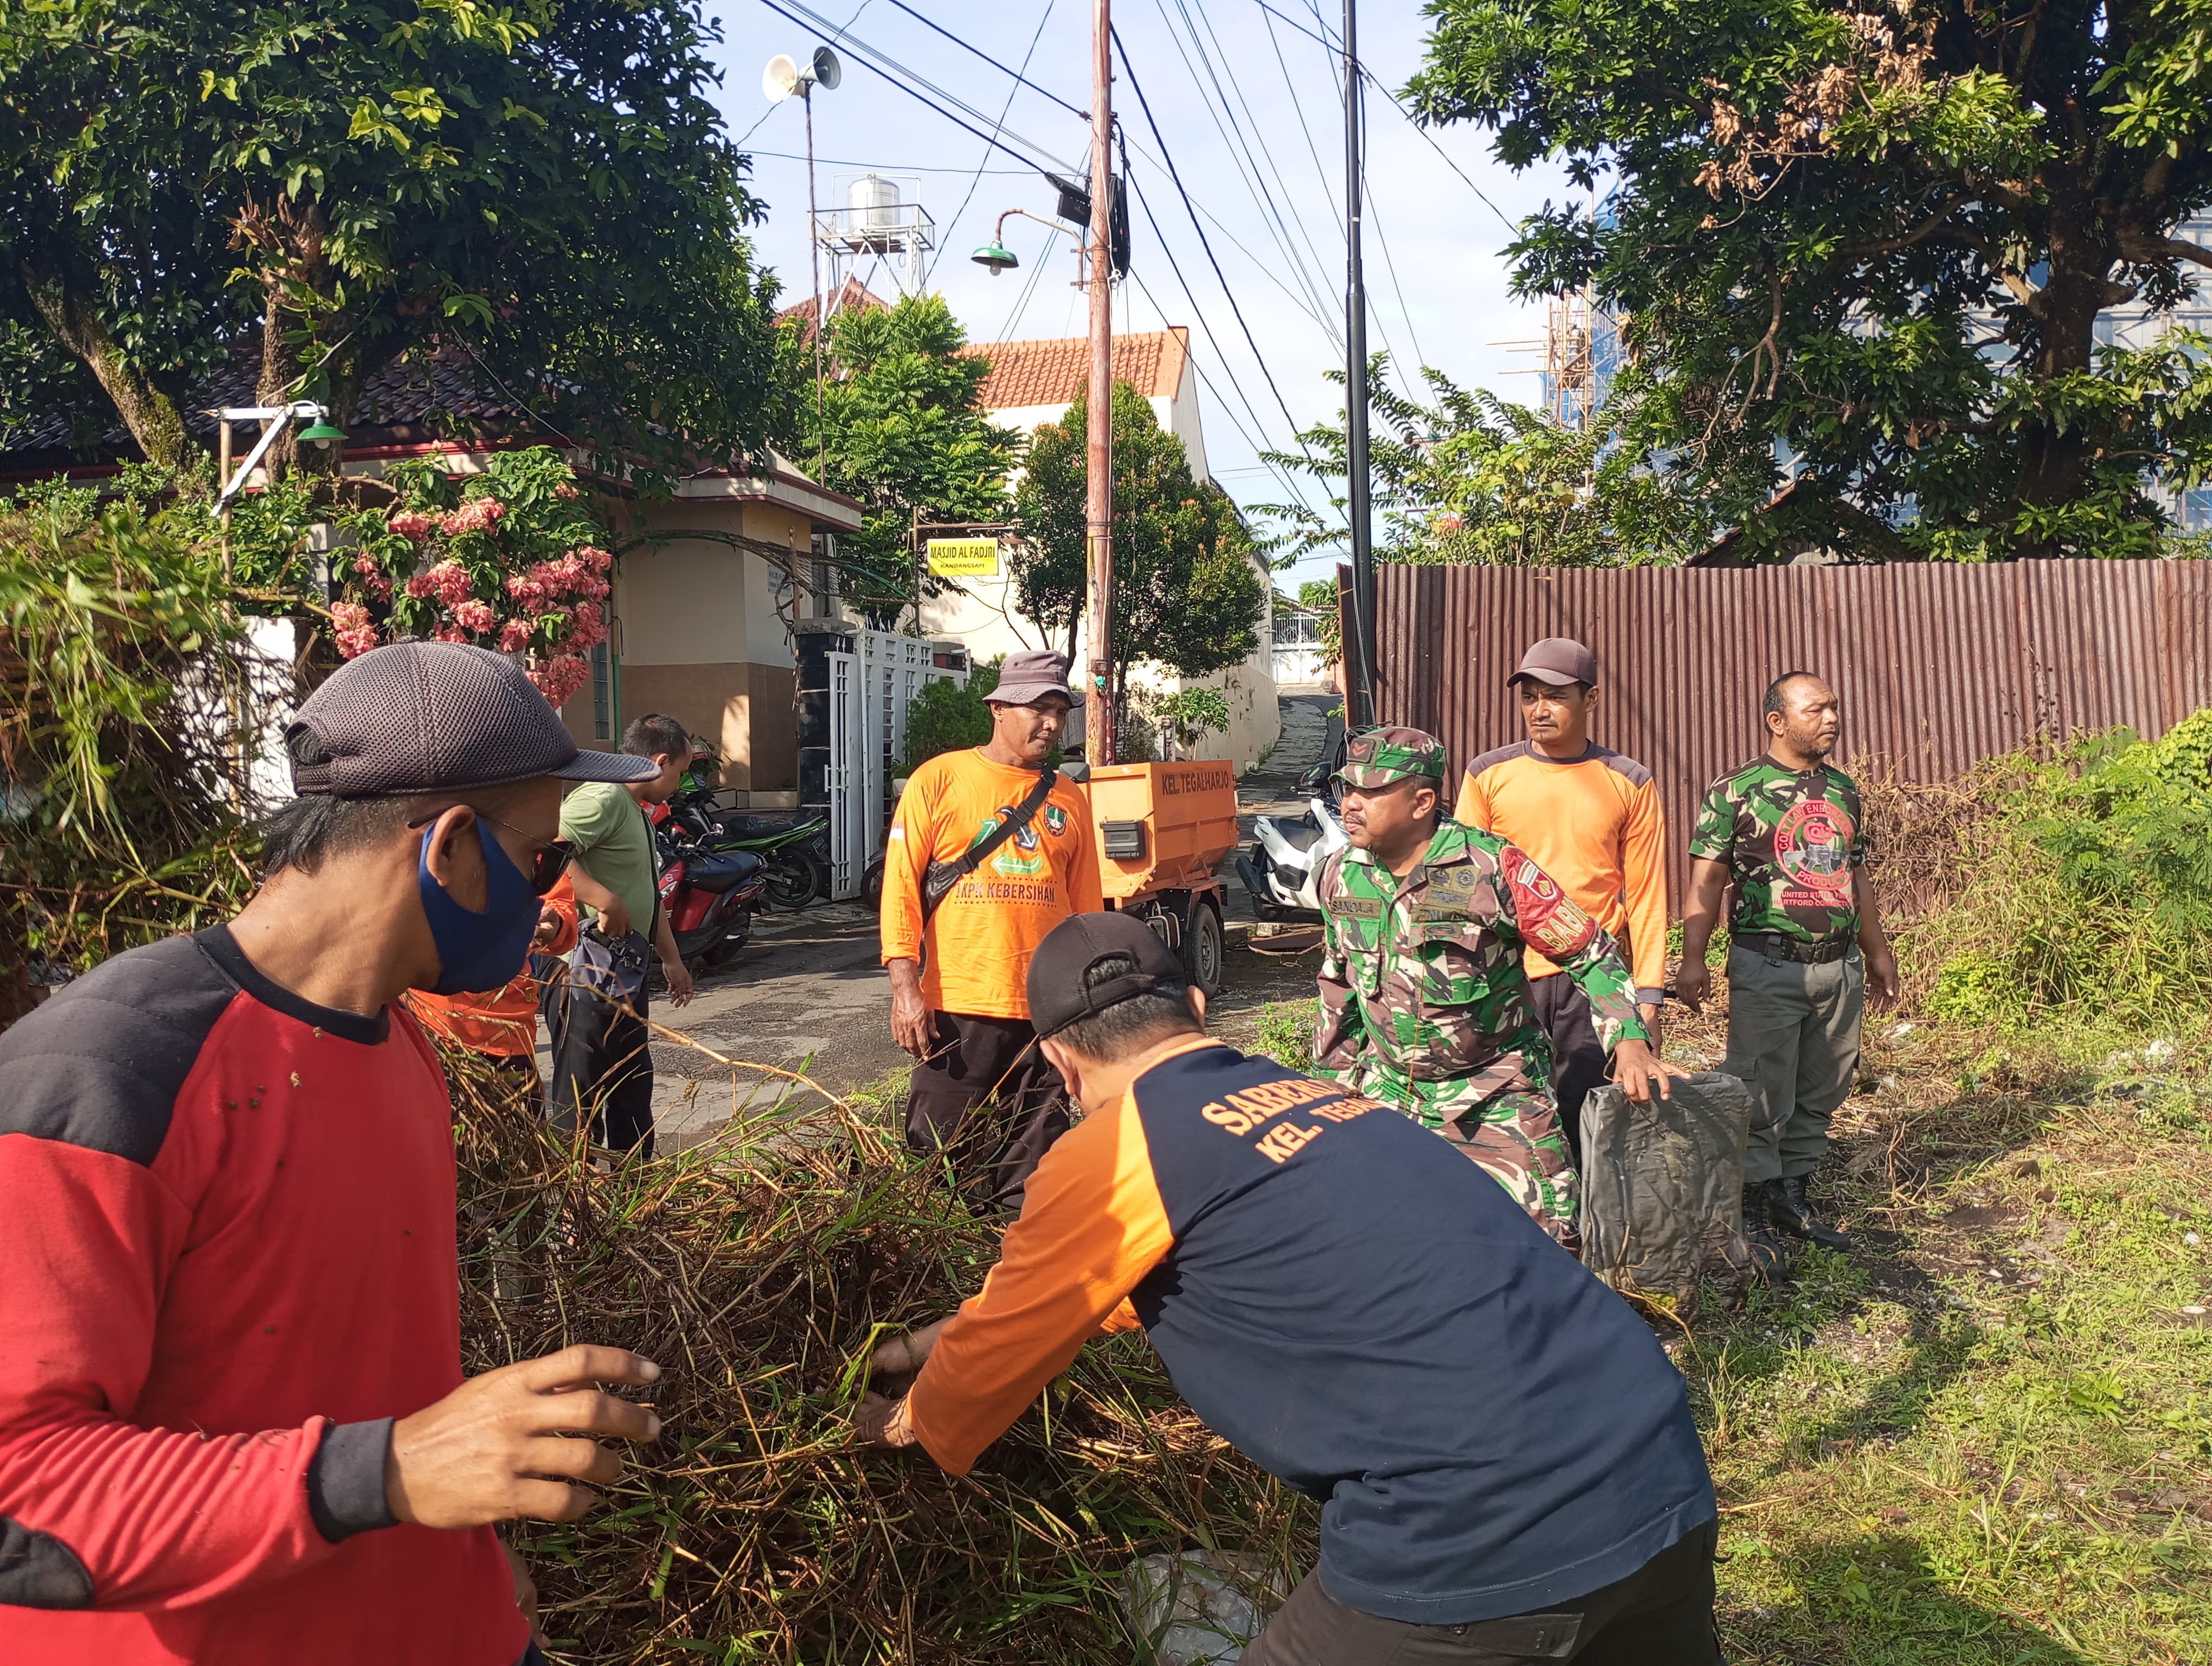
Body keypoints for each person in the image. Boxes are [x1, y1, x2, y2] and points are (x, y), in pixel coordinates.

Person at [0, 642, 664, 1665]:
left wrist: (469, 1542)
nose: (554, 892)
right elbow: (21, 1505)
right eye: (539, 856)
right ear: (448, 847)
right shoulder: (106, 1076)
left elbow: (377, 1369)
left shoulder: (400, 1042)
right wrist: (387, 1473)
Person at [854, 912, 1722, 1665]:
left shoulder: (1111, 1150)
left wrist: (902, 1424)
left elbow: (1001, 1353)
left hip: (1479, 1527)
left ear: (1058, 1062)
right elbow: (1084, 1303)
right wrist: (912, 1346)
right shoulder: (1322, 1103)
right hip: (1656, 1466)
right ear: (1197, 1009)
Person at [1314, 727, 1683, 1243]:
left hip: (1492, 1091)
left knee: (1548, 1240)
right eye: (1345, 788)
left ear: (1423, 801)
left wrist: (1629, 1038)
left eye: (1371, 791)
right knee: (1384, 1236)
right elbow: (1339, 985)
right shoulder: (1339, 875)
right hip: (1390, 1089)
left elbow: (1589, 951)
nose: (1351, 804)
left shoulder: (1492, 868)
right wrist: (1333, 1085)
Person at [1678, 672, 1900, 1261]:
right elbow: (1707, 878)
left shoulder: (1844, 791)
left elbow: (1855, 877)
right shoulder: (1737, 791)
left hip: (1838, 968)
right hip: (1768, 967)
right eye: (1815, 709)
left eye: (1833, 707)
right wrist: (1693, 960)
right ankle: (1749, 1209)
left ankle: (1791, 1197)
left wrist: (1877, 952)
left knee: (1821, 1088)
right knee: (1757, 1092)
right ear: (1777, 722)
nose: (1831, 718)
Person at [879, 649, 1101, 1212]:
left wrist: (1086, 1012)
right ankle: (936, 1288)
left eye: (1060, 710)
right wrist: (906, 991)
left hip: (1044, 1016)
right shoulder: (940, 780)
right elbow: (900, 892)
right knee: (939, 1164)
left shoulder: (1068, 798)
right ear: (999, 708)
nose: (1051, 723)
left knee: (1032, 1172)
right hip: (959, 1009)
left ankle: (1011, 1280)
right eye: (1038, 709)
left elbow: (1086, 917)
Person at [1456, 638, 1669, 1160]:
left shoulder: (1629, 781)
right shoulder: (1489, 775)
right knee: (1505, 1116)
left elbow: (1645, 897)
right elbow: (1460, 886)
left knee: (1588, 1117)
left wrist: (1647, 997)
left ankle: (1589, 1234)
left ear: (1591, 699)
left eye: (1555, 696)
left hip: (1590, 981)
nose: (1539, 710)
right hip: (1505, 976)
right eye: (1529, 697)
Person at [548, 712, 695, 1161]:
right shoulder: (604, 798)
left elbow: (646, 896)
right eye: (680, 773)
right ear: (660, 760)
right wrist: (603, 900)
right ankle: (577, 1195)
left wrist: (671, 960)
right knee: (582, 1087)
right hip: (584, 972)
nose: (679, 785)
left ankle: (632, 1184)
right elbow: (546, 849)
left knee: (631, 1079)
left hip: (623, 972)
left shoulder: (636, 813)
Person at [407, 873, 577, 1112]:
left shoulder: (533, 841)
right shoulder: (419, 842)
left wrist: (556, 922)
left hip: (510, 1033)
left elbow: (558, 904)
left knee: (517, 1137)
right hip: (435, 1029)